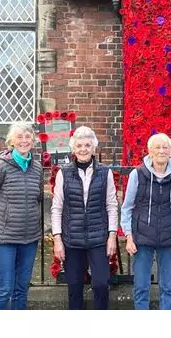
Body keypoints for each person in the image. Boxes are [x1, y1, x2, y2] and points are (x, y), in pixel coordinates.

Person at [51, 126, 119, 310]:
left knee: (101, 284)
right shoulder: (63, 173)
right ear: (73, 148)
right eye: (79, 145)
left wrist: (112, 235)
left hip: (98, 238)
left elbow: (111, 205)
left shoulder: (105, 173)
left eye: (87, 145)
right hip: (72, 239)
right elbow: (57, 208)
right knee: (74, 286)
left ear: (93, 147)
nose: (83, 149)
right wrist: (57, 239)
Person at [121, 133, 171, 310]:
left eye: (165, 147)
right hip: (142, 237)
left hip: (169, 237)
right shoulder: (137, 174)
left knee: (168, 287)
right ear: (150, 151)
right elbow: (127, 206)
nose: (161, 150)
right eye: (157, 147)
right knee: (141, 287)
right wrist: (129, 236)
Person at [0, 122, 44, 310]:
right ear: (11, 141)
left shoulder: (37, 168)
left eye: (27, 136)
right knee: (4, 287)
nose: (24, 141)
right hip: (3, 239)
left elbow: (37, 199)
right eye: (20, 137)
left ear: (33, 139)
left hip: (29, 237)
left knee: (21, 288)